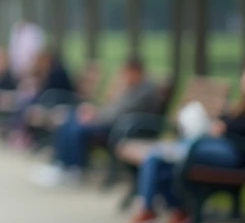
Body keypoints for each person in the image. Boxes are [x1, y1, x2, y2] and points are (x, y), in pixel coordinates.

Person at [123, 61, 245, 223]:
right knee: (160, 164)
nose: (244, 80)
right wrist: (217, 123)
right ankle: (165, 208)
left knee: (174, 154)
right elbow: (232, 120)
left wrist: (224, 128)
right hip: (222, 147)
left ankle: (161, 200)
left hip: (238, 155)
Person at [32, 56, 158, 187]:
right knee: (68, 123)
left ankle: (75, 169)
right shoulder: (130, 87)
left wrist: (97, 116)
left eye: (126, 72)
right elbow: (111, 106)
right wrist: (95, 112)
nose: (124, 76)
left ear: (135, 71)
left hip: (120, 127)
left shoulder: (144, 90)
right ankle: (62, 164)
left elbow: (122, 112)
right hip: (110, 121)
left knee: (77, 128)